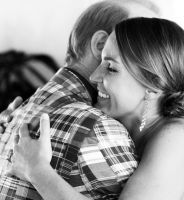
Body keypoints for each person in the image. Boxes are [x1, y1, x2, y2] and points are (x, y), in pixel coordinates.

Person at [10, 17, 184, 200]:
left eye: (111, 68)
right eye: (101, 62)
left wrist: (37, 171)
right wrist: (16, 121)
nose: (94, 76)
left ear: (153, 85)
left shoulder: (178, 138)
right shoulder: (120, 128)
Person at [0, 1, 158, 199]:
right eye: (143, 43)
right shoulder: (98, 128)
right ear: (101, 44)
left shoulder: (19, 113)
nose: (155, 57)